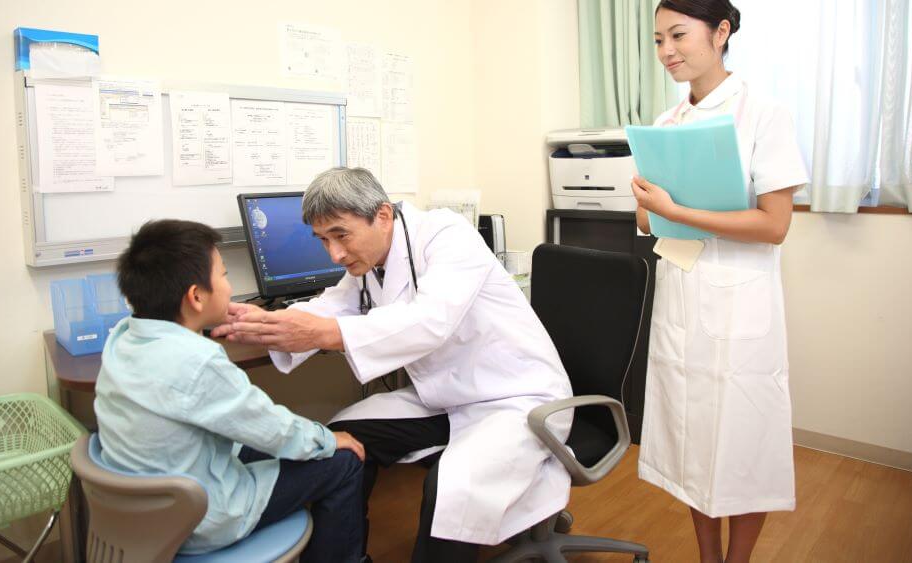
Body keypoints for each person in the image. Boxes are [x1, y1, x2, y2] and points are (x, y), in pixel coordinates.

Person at [212, 167, 574, 562]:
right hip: (446, 396)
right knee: (340, 440)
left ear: (382, 216)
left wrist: (321, 334)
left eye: (340, 235)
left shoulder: (445, 235)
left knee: (455, 488)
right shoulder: (371, 263)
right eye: (323, 240)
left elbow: (431, 321)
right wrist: (268, 325)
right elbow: (335, 304)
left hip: (515, 397)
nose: (334, 254)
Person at [632, 2, 808, 562]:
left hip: (741, 305)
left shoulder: (763, 112)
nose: (667, 52)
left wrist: (677, 210)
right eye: (659, 40)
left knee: (742, 446)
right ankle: (708, 558)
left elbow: (774, 224)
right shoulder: (664, 124)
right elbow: (645, 217)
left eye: (678, 36)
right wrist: (656, 210)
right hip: (682, 298)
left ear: (721, 32)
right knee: (692, 442)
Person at [93, 219, 366, 562]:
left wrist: (208, 321)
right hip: (201, 518)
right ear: (195, 296)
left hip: (145, 512)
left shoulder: (123, 336)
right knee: (342, 462)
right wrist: (328, 438)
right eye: (223, 275)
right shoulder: (198, 363)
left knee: (272, 442)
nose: (228, 285)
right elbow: (273, 429)